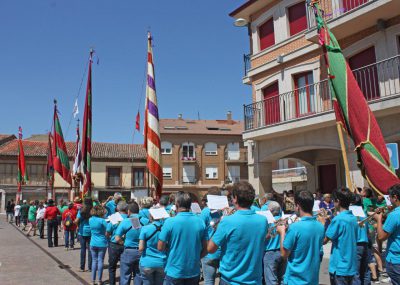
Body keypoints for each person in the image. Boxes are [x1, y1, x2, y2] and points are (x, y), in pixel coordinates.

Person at [208, 181, 268, 285]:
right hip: (254, 279)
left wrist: (221, 223)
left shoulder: (227, 221)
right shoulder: (263, 220)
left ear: (235, 198)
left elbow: (210, 248)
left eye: (232, 197)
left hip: (231, 280)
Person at [158, 191, 208, 285]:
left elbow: (160, 247)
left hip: (174, 271)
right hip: (193, 271)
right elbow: (206, 249)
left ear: (176, 204)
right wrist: (196, 257)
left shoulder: (170, 222)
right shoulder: (200, 221)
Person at [276, 190, 325, 285]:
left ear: (298, 206)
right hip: (312, 279)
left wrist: (282, 232)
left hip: (295, 280)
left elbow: (284, 254)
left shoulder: (295, 228)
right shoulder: (320, 226)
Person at [325, 188, 359, 285]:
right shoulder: (353, 218)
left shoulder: (338, 219)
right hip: (351, 265)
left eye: (333, 200)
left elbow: (324, 240)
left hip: (339, 267)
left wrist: (322, 223)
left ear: (338, 201)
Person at [374, 184, 400, 285]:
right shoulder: (393, 214)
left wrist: (379, 219)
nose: (388, 199)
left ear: (395, 197)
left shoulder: (394, 215)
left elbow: (381, 237)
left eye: (389, 197)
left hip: (396, 261)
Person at [115, 201, 142, 285]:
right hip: (141, 251)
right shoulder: (146, 221)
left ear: (129, 211)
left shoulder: (125, 221)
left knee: (125, 276)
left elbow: (117, 238)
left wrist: (122, 243)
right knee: (138, 276)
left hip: (128, 251)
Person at [139, 207, 167, 285]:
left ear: (151, 216)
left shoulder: (145, 228)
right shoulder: (166, 228)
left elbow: (141, 248)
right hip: (162, 262)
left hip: (147, 262)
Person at [200, 188, 223, 285]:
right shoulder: (224, 211)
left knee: (209, 281)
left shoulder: (205, 211)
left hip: (208, 252)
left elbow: (200, 230)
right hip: (222, 251)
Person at [264, 201, 286, 285]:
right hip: (283, 250)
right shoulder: (284, 220)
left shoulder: (268, 221)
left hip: (270, 252)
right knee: (282, 278)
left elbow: (264, 237)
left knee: (271, 279)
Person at [106, 201, 129, 285]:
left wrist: (109, 237)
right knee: (124, 267)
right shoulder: (130, 217)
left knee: (112, 267)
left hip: (114, 244)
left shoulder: (114, 217)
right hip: (126, 244)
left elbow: (108, 232)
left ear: (117, 208)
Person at [352, 195, 371, 285]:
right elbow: (367, 230)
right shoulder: (363, 212)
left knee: (356, 272)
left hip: (356, 243)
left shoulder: (351, 213)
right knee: (365, 270)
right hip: (365, 243)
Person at [89, 205, 108, 285]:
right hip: (102, 243)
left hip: (93, 242)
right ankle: (99, 280)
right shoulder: (102, 221)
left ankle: (92, 280)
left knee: (94, 261)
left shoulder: (90, 219)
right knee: (100, 261)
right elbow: (108, 229)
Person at [75, 197, 93, 272]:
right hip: (91, 232)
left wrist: (78, 225)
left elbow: (76, 221)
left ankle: (82, 267)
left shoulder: (81, 210)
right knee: (90, 250)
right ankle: (90, 267)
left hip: (82, 232)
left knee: (83, 250)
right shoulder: (93, 210)